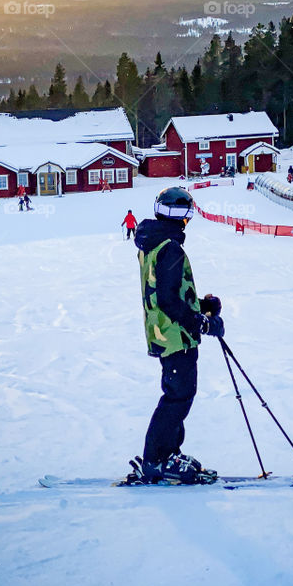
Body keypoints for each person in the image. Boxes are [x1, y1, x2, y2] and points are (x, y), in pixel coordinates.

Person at [132, 186, 222, 485]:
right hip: (174, 335)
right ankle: (156, 460)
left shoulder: (155, 242)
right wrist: (201, 323)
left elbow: (169, 291)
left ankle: (169, 452)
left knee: (179, 395)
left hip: (165, 332)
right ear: (184, 216)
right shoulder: (169, 247)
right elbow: (169, 300)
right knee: (177, 397)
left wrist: (203, 307)